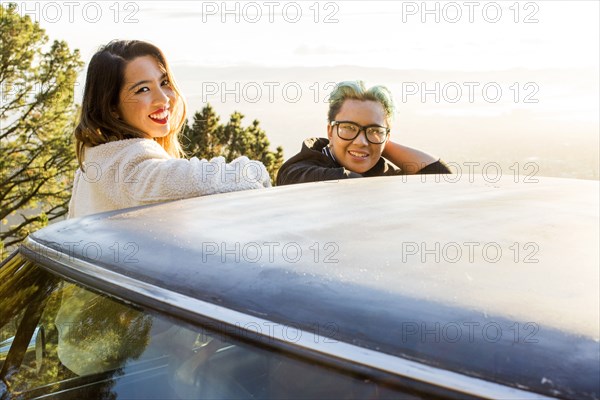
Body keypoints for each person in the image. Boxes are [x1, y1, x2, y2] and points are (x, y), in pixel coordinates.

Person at [69, 40, 270, 218]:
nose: (164, 99)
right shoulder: (132, 170)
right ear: (112, 108)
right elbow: (200, 181)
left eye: (164, 83)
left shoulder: (93, 167)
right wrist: (256, 172)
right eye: (143, 89)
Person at [276, 81, 451, 185]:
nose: (361, 141)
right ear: (330, 131)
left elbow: (441, 179)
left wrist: (379, 144)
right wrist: (373, 141)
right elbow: (347, 183)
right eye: (349, 127)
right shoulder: (299, 170)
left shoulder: (381, 171)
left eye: (374, 130)